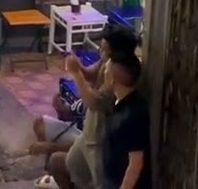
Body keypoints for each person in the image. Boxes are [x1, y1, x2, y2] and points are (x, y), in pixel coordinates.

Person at [39, 25, 141, 189]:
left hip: (99, 141)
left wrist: (76, 74)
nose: (99, 50)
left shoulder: (116, 76)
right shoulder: (106, 62)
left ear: (115, 55)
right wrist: (79, 67)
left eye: (104, 48)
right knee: (66, 164)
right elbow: (92, 73)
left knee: (100, 182)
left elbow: (94, 102)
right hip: (87, 134)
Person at [97, 53, 151, 189]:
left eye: (106, 71)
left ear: (113, 78)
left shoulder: (134, 114)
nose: (103, 73)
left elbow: (136, 162)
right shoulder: (120, 102)